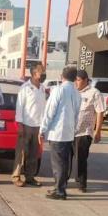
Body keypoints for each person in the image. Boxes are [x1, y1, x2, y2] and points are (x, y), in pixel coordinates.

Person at [39, 66, 81, 200]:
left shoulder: (58, 90)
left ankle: (60, 190)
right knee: (64, 162)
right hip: (68, 132)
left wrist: (42, 129)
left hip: (57, 132)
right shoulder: (76, 93)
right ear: (75, 78)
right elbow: (76, 114)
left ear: (61, 76)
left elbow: (49, 112)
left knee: (58, 163)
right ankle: (60, 187)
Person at [12, 63, 46, 187]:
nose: (43, 73)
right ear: (34, 73)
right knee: (21, 152)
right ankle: (16, 177)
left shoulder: (42, 88)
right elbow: (19, 107)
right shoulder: (25, 88)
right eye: (41, 71)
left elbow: (44, 108)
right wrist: (19, 124)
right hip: (26, 125)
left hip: (38, 126)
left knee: (34, 153)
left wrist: (44, 126)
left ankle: (30, 177)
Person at [73, 70, 105, 193]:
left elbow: (100, 111)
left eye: (79, 80)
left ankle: (81, 183)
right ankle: (63, 182)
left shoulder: (94, 93)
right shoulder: (73, 92)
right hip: (70, 131)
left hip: (84, 132)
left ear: (86, 80)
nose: (76, 82)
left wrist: (98, 131)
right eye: (75, 80)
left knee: (81, 159)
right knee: (67, 159)